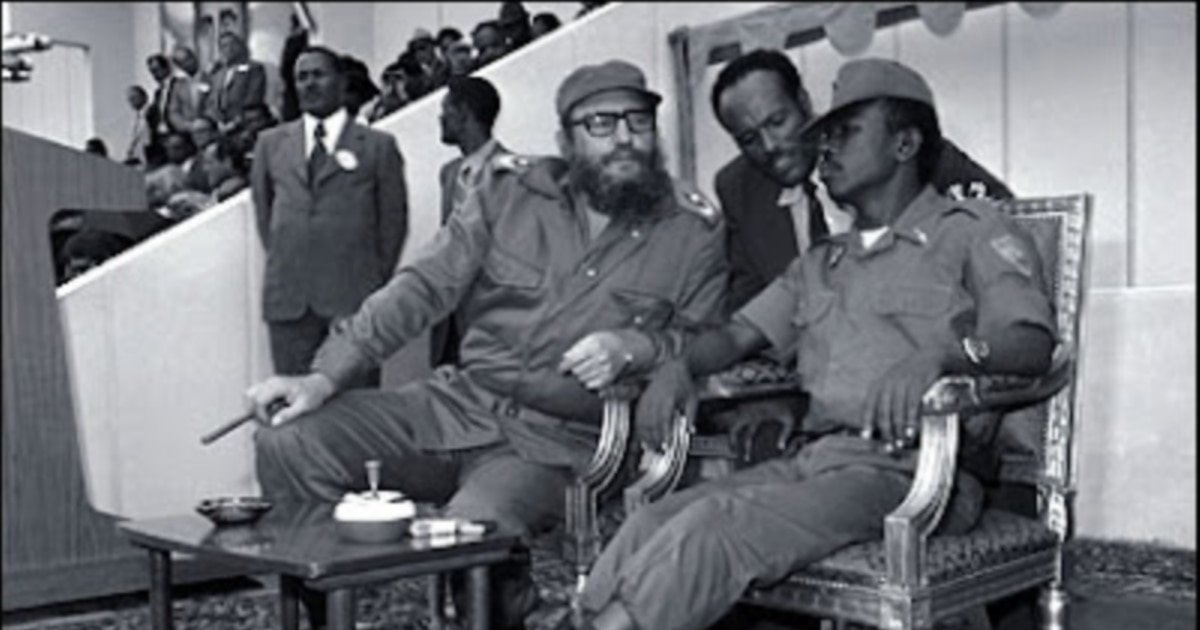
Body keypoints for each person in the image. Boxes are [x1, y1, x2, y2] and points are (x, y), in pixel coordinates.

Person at [568, 58, 1056, 630]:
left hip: (915, 474)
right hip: (814, 461)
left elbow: (1030, 344)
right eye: (825, 134)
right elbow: (734, 335)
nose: (825, 146)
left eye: (845, 132)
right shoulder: (822, 263)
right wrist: (679, 367)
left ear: (904, 144)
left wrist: (942, 357)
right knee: (651, 522)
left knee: (717, 527)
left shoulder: (971, 230)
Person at [245, 59, 728, 630]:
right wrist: (323, 377)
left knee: (469, 536)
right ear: (566, 140)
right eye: (600, 124)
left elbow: (706, 340)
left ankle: (509, 608)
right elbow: (423, 286)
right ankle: (333, 616)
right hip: (460, 405)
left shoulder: (691, 230)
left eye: (638, 121)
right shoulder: (509, 193)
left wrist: (637, 345)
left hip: (554, 442)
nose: (624, 138)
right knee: (290, 439)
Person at [712, 49, 1013, 313]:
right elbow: (746, 304)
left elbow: (1006, 223)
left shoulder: (894, 147)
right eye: (748, 139)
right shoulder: (738, 189)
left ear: (803, 101)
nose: (769, 146)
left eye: (777, 122)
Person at [250, 46, 408, 387]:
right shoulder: (270, 144)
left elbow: (393, 223)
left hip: (353, 302)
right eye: (301, 77)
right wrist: (290, 260)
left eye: (318, 75)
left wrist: (370, 285)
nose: (309, 84)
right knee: (294, 408)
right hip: (289, 303)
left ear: (341, 82)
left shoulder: (378, 146)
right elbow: (265, 215)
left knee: (356, 407)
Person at [430, 76, 510, 369]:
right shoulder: (449, 174)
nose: (440, 118)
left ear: (463, 113)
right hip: (449, 321)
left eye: (445, 109)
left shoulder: (512, 173)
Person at [207, 31, 267, 132]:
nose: (229, 49)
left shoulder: (254, 68)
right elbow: (211, 103)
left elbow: (254, 99)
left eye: (232, 44)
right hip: (220, 125)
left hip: (246, 122)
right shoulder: (218, 74)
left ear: (240, 46)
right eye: (224, 46)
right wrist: (218, 122)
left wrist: (235, 122)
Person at [146, 53, 196, 147]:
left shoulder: (180, 84)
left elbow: (186, 108)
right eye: (152, 72)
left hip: (178, 134)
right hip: (162, 137)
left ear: (166, 68)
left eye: (157, 70)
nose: (155, 75)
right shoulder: (158, 92)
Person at [171, 44, 212, 118]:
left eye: (187, 59)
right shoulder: (178, 86)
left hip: (209, 122)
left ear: (194, 57)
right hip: (186, 124)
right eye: (181, 63)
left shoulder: (211, 79)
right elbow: (173, 112)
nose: (186, 64)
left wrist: (206, 121)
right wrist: (187, 124)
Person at [124, 85, 153, 164]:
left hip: (149, 155)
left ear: (144, 97)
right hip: (137, 157)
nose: (131, 102)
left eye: (134, 98)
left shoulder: (151, 112)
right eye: (129, 99)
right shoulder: (136, 117)